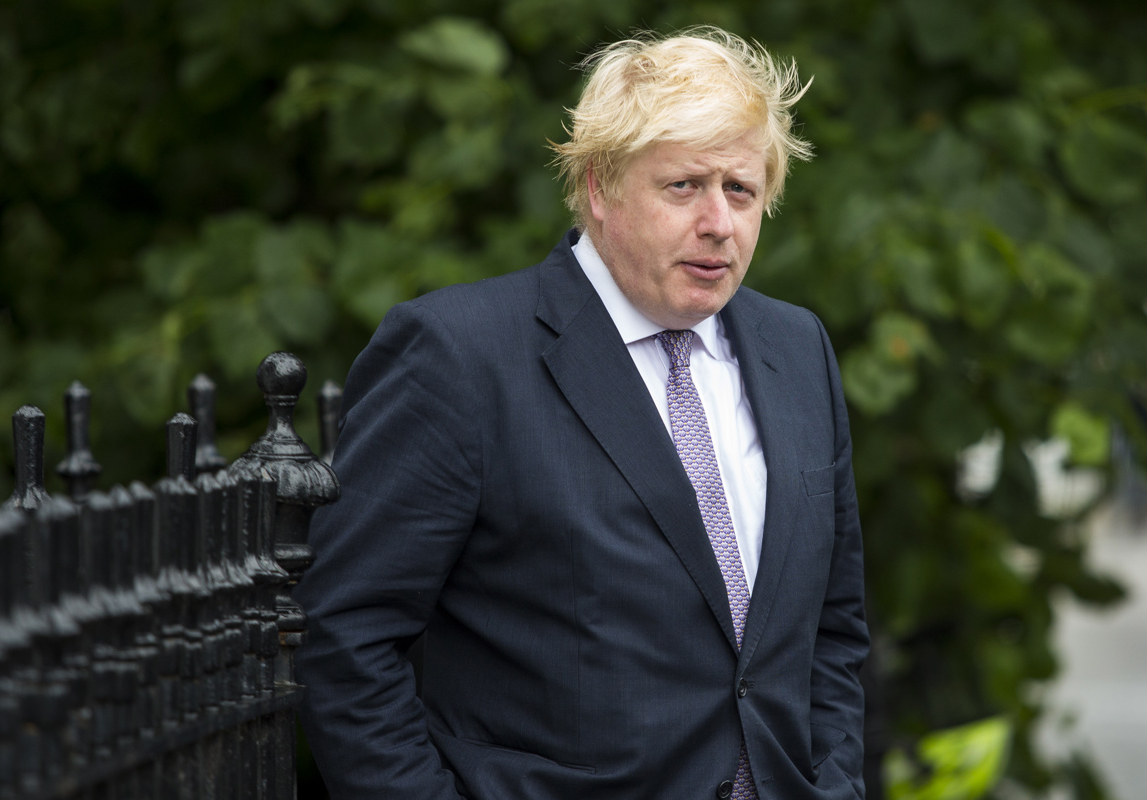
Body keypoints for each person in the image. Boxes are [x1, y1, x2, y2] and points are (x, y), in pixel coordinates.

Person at [296, 26, 869, 800]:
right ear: (600, 188)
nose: (719, 222)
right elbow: (346, 635)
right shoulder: (460, 356)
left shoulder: (797, 349)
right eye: (684, 186)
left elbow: (833, 629)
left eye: (740, 190)